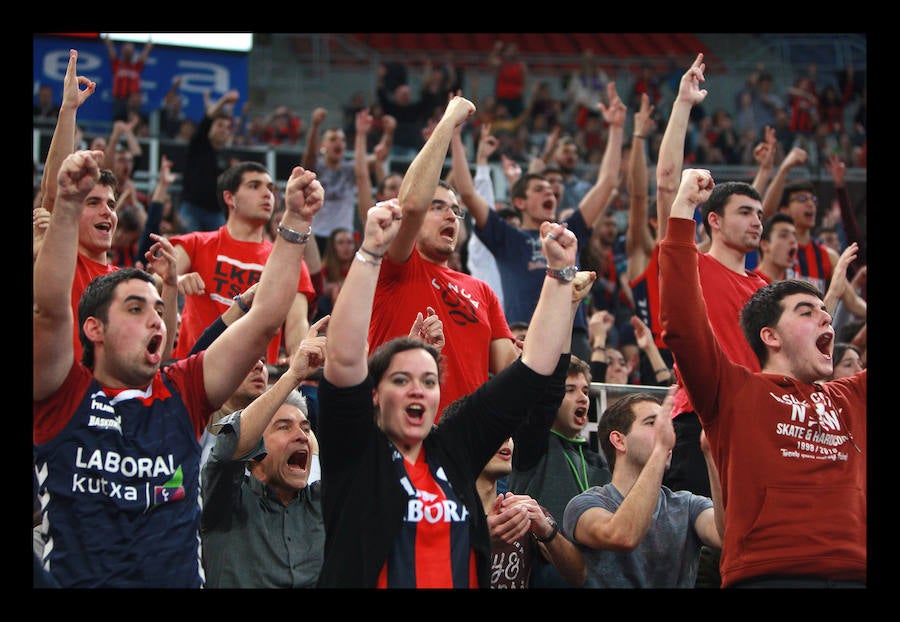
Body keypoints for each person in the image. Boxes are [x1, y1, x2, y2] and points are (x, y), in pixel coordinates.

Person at [33, 150, 323, 588]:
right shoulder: (60, 393)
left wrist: (296, 223)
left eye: (156, 307)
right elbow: (50, 311)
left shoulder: (182, 389)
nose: (154, 319)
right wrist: (67, 205)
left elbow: (265, 318)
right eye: (134, 308)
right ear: (93, 328)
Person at [316, 183, 581, 588]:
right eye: (401, 380)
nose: (417, 389)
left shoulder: (455, 447)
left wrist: (559, 275)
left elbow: (531, 371)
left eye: (427, 380)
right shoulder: (355, 451)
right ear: (374, 393)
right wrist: (370, 253)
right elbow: (343, 357)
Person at [659, 167, 866, 589]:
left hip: (853, 573)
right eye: (807, 313)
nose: (826, 318)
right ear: (769, 335)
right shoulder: (733, 392)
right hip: (769, 574)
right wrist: (682, 207)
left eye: (826, 313)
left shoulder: (850, 396)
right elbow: (681, 323)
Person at [452, 82, 626, 362]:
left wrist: (616, 129)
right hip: (523, 334)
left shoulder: (568, 232)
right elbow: (468, 191)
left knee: (576, 402)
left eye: (550, 189)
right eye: (538, 189)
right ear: (519, 202)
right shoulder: (507, 237)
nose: (549, 192)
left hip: (573, 334)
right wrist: (456, 135)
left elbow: (606, 183)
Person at [368, 95, 519, 418]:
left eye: (455, 210)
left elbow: (510, 370)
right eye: (437, 207)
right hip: (397, 427)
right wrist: (448, 120)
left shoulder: (482, 292)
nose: (450, 216)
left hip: (466, 445)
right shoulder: (395, 266)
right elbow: (410, 204)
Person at [201, 315, 329, 588]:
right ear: (254, 449)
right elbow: (227, 452)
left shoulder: (320, 503)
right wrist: (293, 375)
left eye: (306, 429)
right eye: (284, 427)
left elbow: (370, 461)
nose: (301, 436)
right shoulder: (225, 501)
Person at [563, 389, 723, 588]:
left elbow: (726, 536)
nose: (667, 432)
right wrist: (660, 449)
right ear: (619, 441)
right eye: (651, 423)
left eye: (666, 425)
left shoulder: (687, 504)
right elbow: (622, 535)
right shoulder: (585, 505)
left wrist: (712, 453)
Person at [169, 161, 315, 363]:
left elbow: (297, 322)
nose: (267, 194)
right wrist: (176, 278)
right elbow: (156, 279)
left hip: (257, 381)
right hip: (193, 376)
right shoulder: (195, 244)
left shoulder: (289, 260)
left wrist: (296, 355)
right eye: (255, 186)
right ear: (230, 198)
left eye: (270, 189)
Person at [439, 400, 586, 589]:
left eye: (508, 430)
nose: (507, 437)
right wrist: (480, 540)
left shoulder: (523, 512)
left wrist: (548, 532)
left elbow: (579, 576)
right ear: (460, 441)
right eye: (493, 430)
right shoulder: (437, 512)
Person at [178, 89, 239, 232]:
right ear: (209, 129)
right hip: (192, 209)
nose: (223, 130)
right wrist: (224, 100)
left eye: (227, 127)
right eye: (219, 125)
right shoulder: (199, 144)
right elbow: (208, 117)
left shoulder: (227, 156)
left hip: (216, 212)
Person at [302, 107, 359, 255]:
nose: (338, 143)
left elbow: (377, 159)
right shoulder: (315, 167)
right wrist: (315, 126)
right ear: (323, 145)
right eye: (333, 139)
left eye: (342, 140)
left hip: (344, 236)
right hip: (317, 234)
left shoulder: (352, 168)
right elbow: (309, 156)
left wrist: (388, 134)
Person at [102, 34, 153, 123]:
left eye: (130, 51)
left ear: (133, 53)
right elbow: (111, 50)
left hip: (132, 102)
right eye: (126, 51)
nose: (128, 53)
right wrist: (107, 41)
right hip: (119, 99)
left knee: (132, 122)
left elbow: (144, 55)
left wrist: (148, 46)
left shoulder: (136, 67)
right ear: (123, 52)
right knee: (118, 121)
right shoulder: (117, 65)